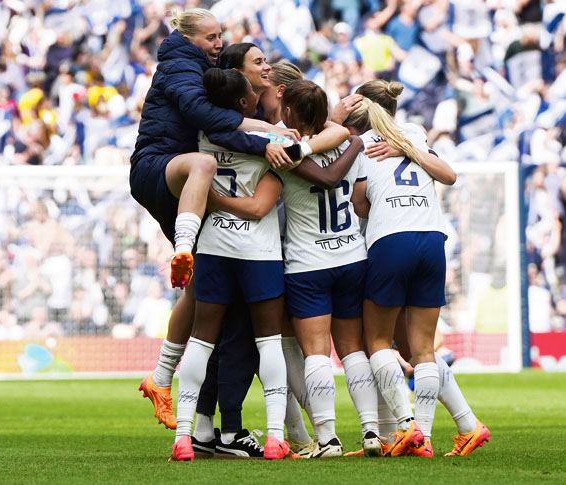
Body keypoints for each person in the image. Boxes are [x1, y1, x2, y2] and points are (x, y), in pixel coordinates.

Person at [132, 8, 298, 431]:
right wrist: (269, 137)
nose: (217, 42)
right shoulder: (183, 69)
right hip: (162, 164)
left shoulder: (196, 69)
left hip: (182, 176)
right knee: (204, 167)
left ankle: (168, 385)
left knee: (203, 291)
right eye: (210, 37)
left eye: (220, 35)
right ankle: (223, 426)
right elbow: (207, 121)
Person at [350, 80, 490, 457]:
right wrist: (409, 150)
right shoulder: (413, 132)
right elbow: (447, 175)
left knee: (377, 342)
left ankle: (405, 429)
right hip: (432, 239)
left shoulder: (361, 144)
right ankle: (424, 439)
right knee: (423, 350)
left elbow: (360, 204)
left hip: (389, 240)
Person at [171, 68, 294, 461]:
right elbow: (293, 149)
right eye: (253, 92)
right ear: (243, 103)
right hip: (259, 251)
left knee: (202, 341)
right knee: (269, 342)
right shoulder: (272, 138)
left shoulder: (203, 136)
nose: (259, 94)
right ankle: (276, 437)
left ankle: (184, 437)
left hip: (213, 245)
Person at [276, 79, 382, 458]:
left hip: (308, 264)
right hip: (352, 256)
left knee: (318, 353)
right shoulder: (350, 146)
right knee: (353, 350)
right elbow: (358, 202)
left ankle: (328, 439)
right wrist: (351, 140)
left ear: (288, 113)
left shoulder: (284, 152)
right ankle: (371, 431)